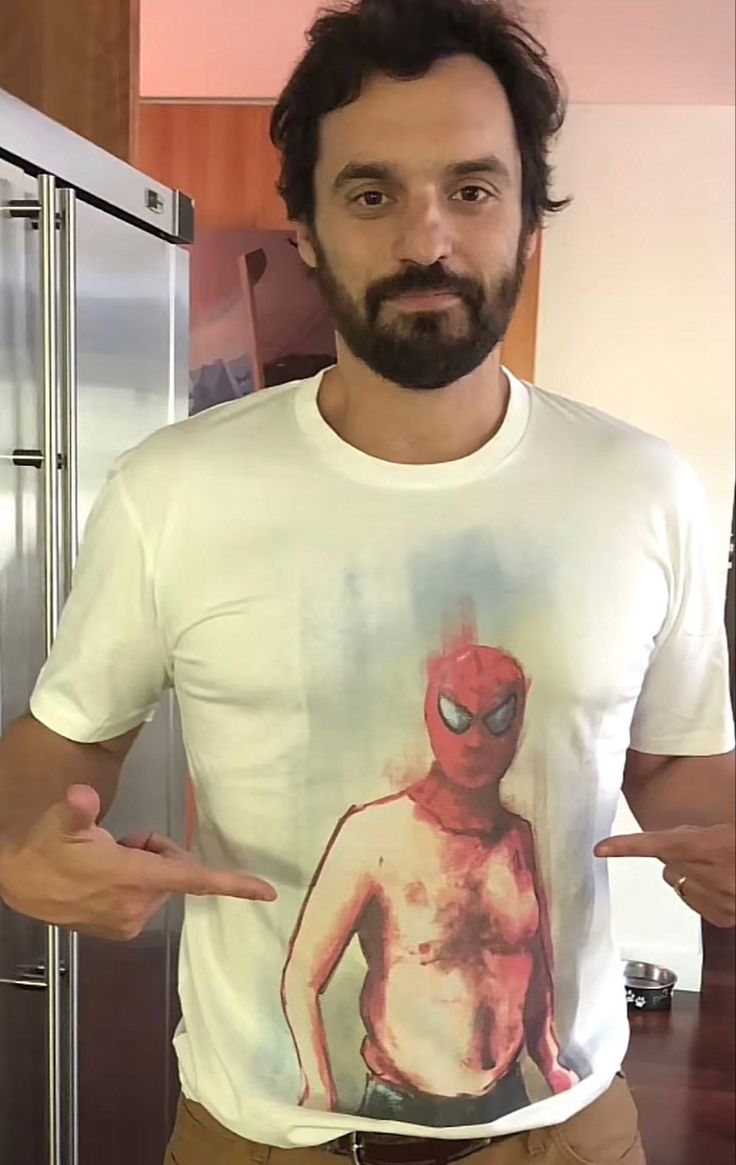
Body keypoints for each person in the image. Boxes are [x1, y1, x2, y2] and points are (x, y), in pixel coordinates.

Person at [0, 2, 733, 1165]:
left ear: (528, 221)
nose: (426, 238)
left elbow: (674, 757)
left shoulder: (644, 489)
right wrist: (28, 840)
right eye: (372, 193)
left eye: (473, 189)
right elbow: (61, 745)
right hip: (258, 1141)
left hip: (564, 1138)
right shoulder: (175, 488)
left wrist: (723, 837)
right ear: (306, 225)